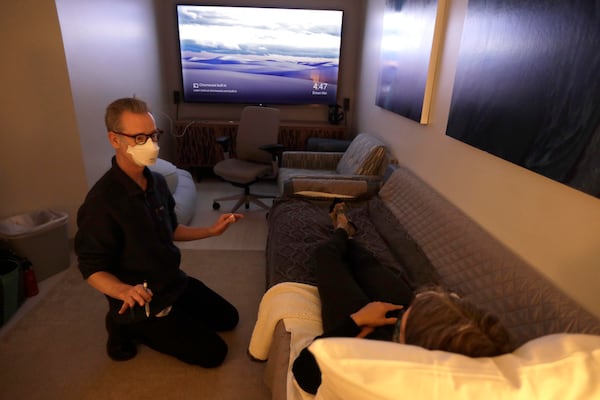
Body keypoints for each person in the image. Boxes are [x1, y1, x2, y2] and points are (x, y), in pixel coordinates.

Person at [75, 97, 244, 368]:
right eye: (140, 137)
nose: (151, 145)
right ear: (115, 139)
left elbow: (171, 229)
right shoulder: (102, 203)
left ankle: (174, 316)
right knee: (214, 353)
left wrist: (211, 231)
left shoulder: (156, 183)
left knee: (228, 318)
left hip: (172, 281)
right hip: (142, 298)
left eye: (153, 135)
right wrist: (122, 290)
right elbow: (92, 268)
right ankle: (124, 325)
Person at [292, 202, 513, 394]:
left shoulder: (378, 370)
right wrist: (414, 312)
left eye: (402, 326)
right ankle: (347, 236)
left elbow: (304, 371)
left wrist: (355, 321)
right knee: (367, 263)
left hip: (368, 329)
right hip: (405, 310)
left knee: (327, 256)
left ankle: (341, 231)